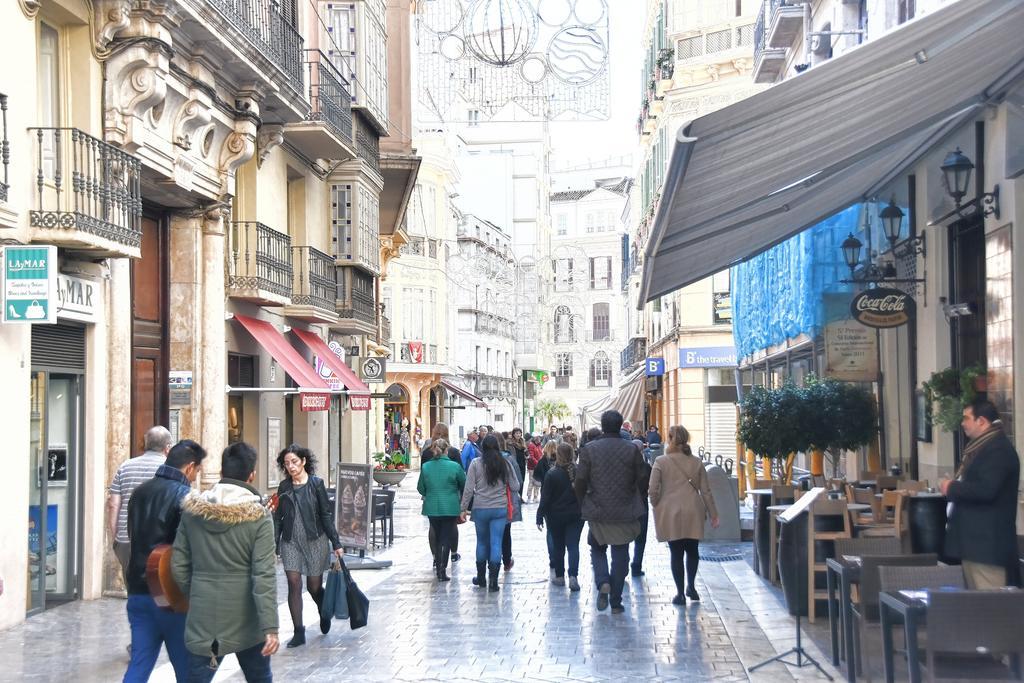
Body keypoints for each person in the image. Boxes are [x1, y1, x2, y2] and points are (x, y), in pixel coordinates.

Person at [172, 442, 279, 682]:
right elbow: (264, 575)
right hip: (248, 621)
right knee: (259, 677)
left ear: (221, 474)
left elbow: (178, 564)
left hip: (204, 618)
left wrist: (197, 591)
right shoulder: (259, 517)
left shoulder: (193, 511)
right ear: (251, 475)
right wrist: (270, 627)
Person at [123, 439, 206, 682]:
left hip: (137, 590)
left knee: (139, 663)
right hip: (169, 592)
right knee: (186, 668)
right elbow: (190, 548)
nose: (195, 477)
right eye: (197, 471)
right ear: (190, 467)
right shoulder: (186, 496)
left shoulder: (139, 492)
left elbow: (132, 535)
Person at [939, 399, 1021, 589]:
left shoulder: (998, 450)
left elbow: (986, 490)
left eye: (966, 418)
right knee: (977, 607)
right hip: (975, 545)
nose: (962, 423)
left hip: (987, 548)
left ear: (982, 421)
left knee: (991, 609)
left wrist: (951, 487)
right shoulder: (983, 447)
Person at [573, 410, 649, 614]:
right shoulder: (631, 449)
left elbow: (580, 480)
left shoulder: (589, 449)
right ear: (620, 425)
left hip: (598, 507)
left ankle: (602, 581)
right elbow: (643, 478)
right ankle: (616, 600)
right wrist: (636, 494)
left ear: (603, 426)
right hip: (625, 508)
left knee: (597, 547)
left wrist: (582, 501)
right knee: (621, 552)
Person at [273, 445, 343, 648]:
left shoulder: (316, 484)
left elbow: (325, 515)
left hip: (315, 540)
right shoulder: (284, 487)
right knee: (294, 583)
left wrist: (336, 542)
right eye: (287, 463)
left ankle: (324, 610)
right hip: (290, 541)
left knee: (314, 587)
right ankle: (298, 631)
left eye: (294, 462)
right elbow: (278, 517)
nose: (291, 466)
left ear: (303, 461)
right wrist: (275, 543)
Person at [649, 425, 719, 605]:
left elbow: (652, 489)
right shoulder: (696, 462)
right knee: (692, 550)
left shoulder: (661, 461)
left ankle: (679, 593)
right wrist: (713, 514)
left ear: (670, 439)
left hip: (670, 511)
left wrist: (656, 503)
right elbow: (706, 491)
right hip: (693, 510)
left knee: (676, 552)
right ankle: (692, 586)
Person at [108, 426, 173, 583]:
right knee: (158, 587)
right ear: (167, 447)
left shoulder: (125, 466)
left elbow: (114, 504)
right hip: (158, 540)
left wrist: (116, 535)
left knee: (132, 586)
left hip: (126, 538)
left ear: (146, 444)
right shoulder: (169, 469)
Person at [460, 435, 520, 592]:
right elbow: (515, 486)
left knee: (481, 542)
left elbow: (468, 489)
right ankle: (493, 581)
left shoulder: (475, 464)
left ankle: (481, 578)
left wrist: (463, 508)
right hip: (500, 509)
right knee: (496, 542)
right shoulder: (505, 463)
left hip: (480, 508)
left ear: (483, 447)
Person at [418, 437, 466, 582]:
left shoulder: (426, 467)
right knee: (446, 538)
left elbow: (420, 488)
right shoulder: (454, 466)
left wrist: (429, 493)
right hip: (450, 506)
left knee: (437, 536)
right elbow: (463, 483)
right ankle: (442, 570)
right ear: (447, 450)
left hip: (432, 506)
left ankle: (437, 565)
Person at [537, 443, 583, 591]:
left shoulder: (552, 473)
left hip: (555, 516)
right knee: (573, 546)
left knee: (558, 546)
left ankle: (559, 576)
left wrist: (539, 516)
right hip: (576, 514)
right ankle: (573, 576)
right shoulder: (579, 471)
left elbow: (545, 498)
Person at [425, 423, 465, 563]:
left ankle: (436, 557)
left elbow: (423, 479)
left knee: (433, 528)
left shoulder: (426, 453)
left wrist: (425, 493)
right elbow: (462, 476)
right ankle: (453, 553)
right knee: (451, 525)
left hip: (431, 497)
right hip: (451, 496)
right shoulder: (453, 452)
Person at [495, 432, 524, 571]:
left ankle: (490, 565)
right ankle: (506, 560)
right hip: (505, 502)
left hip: (485, 504)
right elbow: (518, 481)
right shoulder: (509, 459)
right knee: (506, 532)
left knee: (490, 535)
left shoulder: (480, 460)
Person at [629, 439, 652, 578]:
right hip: (642, 504)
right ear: (641, 451)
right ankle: (636, 565)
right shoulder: (646, 467)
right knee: (641, 537)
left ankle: (622, 565)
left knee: (623, 536)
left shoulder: (623, 467)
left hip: (626, 504)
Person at [509, 428, 529, 497]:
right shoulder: (510, 443)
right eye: (516, 433)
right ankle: (516, 497)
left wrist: (527, 455)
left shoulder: (523, 442)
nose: (518, 434)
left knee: (522, 480)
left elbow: (526, 453)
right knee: (516, 480)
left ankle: (520, 496)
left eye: (519, 433)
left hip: (522, 463)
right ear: (513, 434)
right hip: (515, 464)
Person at [525, 435, 544, 502]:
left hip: (538, 467)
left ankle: (535, 497)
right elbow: (531, 457)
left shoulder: (539, 446)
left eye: (539, 439)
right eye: (537, 439)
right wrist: (538, 463)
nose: (538, 440)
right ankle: (529, 497)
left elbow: (541, 455)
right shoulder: (531, 445)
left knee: (538, 481)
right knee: (531, 482)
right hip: (532, 467)